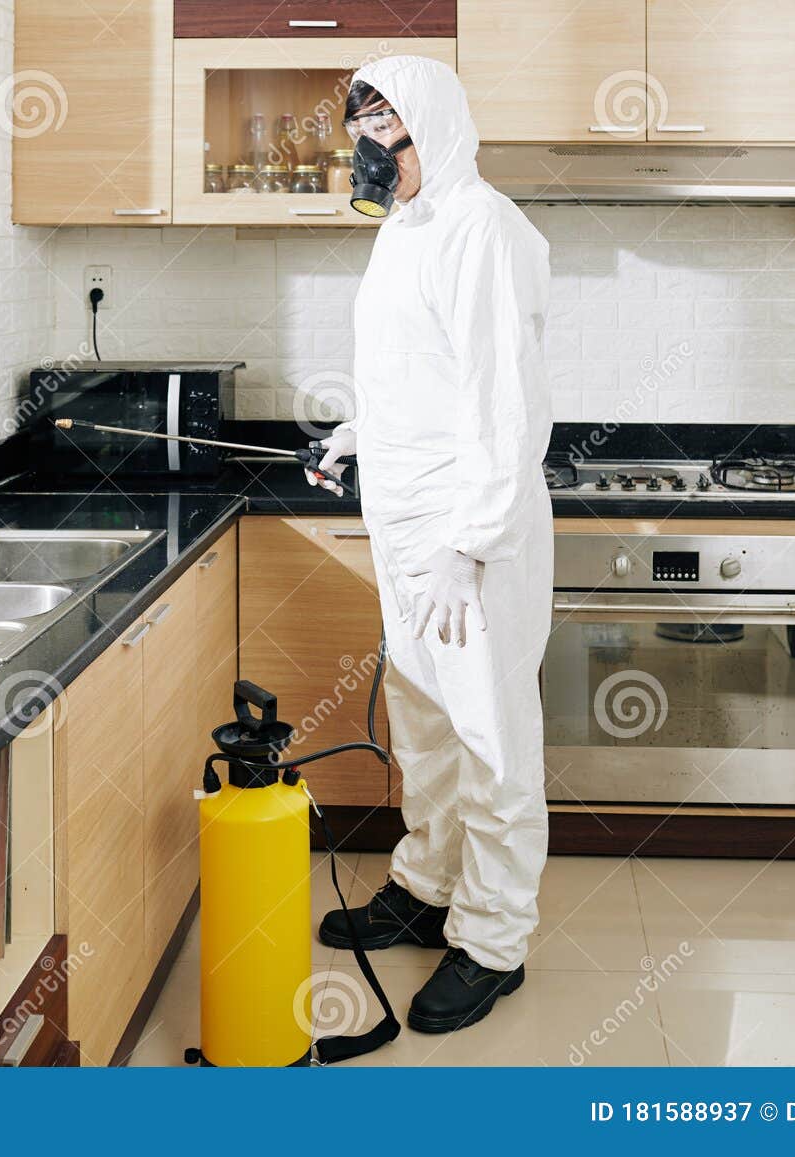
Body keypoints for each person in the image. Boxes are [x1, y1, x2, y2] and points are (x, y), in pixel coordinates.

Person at [311, 55, 554, 1034]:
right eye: (361, 136)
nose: (373, 157)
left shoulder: (482, 228)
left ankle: (494, 938)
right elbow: (419, 380)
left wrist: (474, 541)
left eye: (389, 135)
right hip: (406, 526)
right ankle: (426, 882)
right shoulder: (405, 233)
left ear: (435, 127)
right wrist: (354, 436)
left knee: (489, 733)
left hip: (467, 537)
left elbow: (505, 403)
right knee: (423, 720)